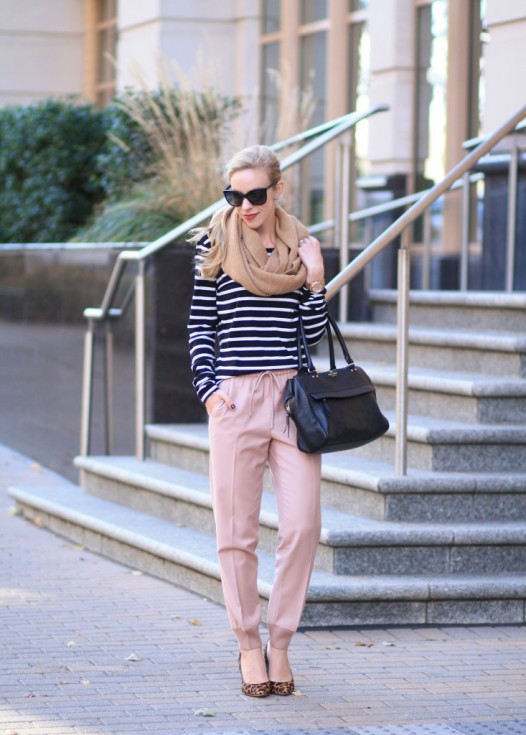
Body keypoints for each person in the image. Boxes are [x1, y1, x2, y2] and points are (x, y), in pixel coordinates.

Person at [187, 144, 327, 697]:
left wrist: (315, 281)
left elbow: (311, 337)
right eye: (234, 194)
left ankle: (282, 642)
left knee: (301, 525)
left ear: (277, 190)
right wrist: (210, 394)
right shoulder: (215, 243)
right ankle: (249, 645)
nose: (244, 205)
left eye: (255, 195)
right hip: (236, 400)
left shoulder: (301, 248)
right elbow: (202, 328)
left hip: (293, 399)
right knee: (236, 533)